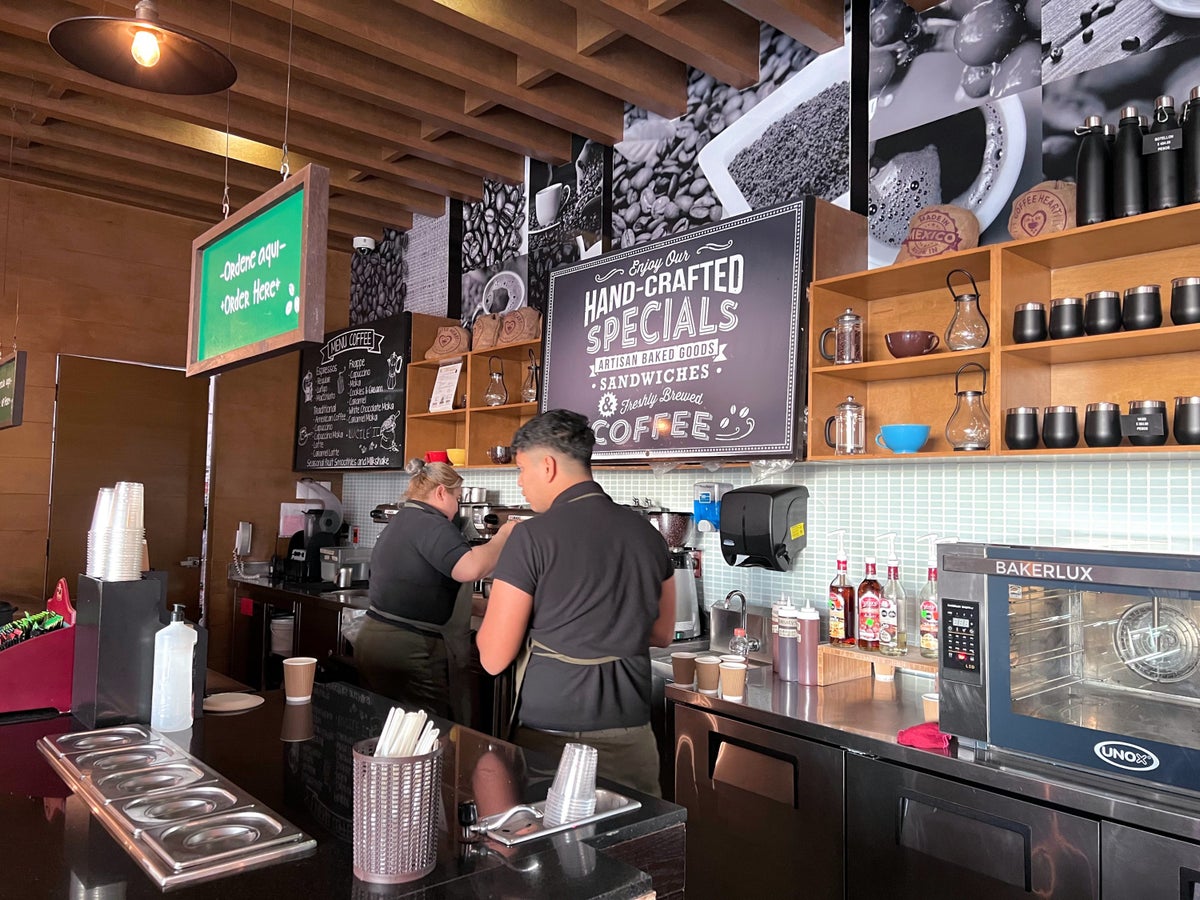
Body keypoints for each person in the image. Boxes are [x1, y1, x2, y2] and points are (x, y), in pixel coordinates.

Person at [477, 410, 676, 797]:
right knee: (628, 851)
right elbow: (663, 632)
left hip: (551, 741)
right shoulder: (647, 533)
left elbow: (493, 657)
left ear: (547, 466)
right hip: (632, 736)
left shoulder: (531, 538)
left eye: (521, 469)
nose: (519, 482)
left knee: (549, 854)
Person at [357, 461, 514, 721]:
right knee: (428, 732)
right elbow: (471, 568)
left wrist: (483, 608)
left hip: (377, 642)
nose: (456, 509)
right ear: (441, 492)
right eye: (457, 499)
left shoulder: (404, 519)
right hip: (410, 648)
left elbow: (423, 587)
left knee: (391, 732)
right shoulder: (430, 523)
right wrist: (505, 535)